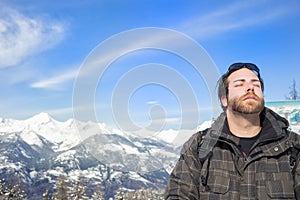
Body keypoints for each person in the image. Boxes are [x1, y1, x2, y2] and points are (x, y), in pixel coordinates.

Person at [164, 62, 300, 199]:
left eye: (256, 84)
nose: (250, 87)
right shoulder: (199, 145)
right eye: (240, 84)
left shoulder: (293, 145)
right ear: (225, 99)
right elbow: (178, 194)